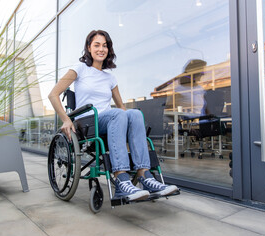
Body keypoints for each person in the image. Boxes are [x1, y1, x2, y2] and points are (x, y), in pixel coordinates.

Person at [48, 30, 178, 201]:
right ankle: (121, 179)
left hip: (110, 120)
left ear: (109, 49)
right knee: (118, 114)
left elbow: (121, 107)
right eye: (97, 45)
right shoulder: (80, 68)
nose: (101, 49)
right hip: (87, 122)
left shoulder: (110, 78)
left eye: (105, 45)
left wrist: (132, 124)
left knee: (135, 114)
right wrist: (66, 119)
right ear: (89, 47)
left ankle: (145, 176)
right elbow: (53, 94)